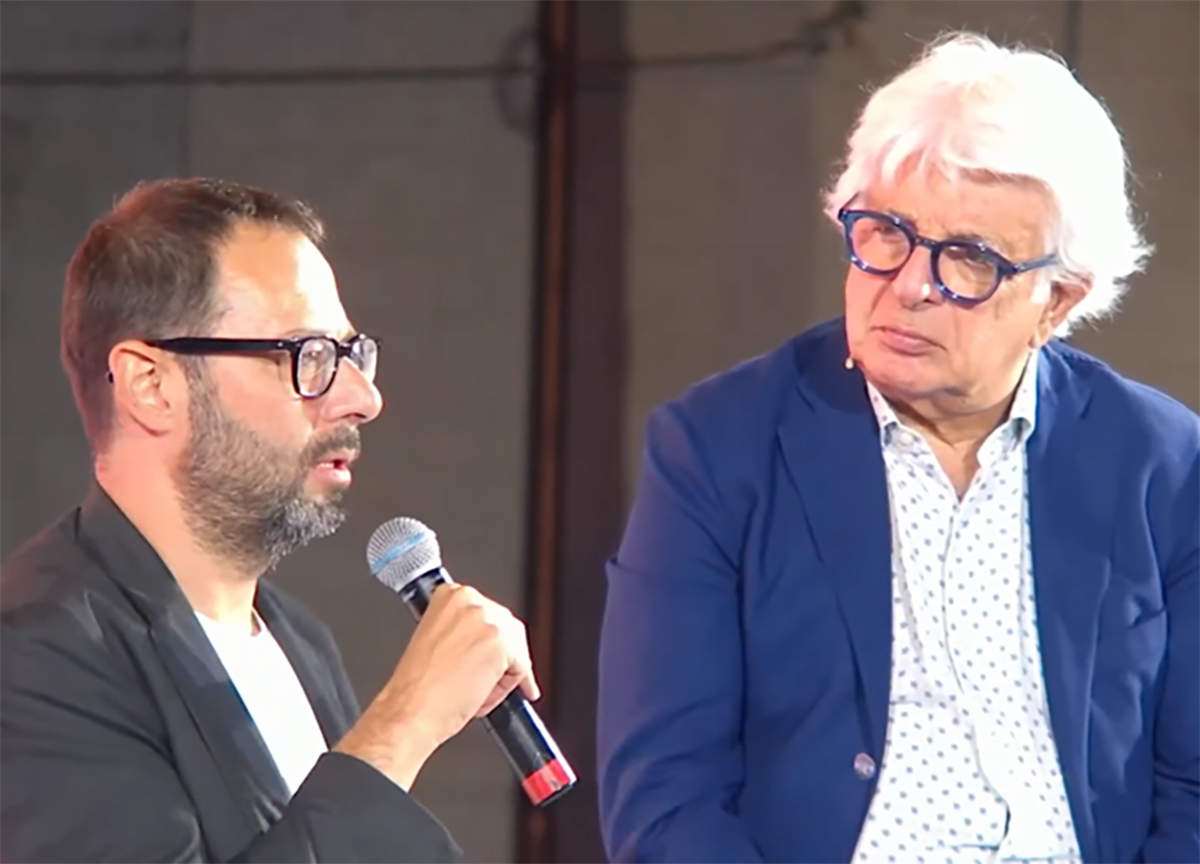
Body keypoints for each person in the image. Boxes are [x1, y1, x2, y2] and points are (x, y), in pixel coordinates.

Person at [597, 32, 1198, 864]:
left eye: (969, 259)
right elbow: (664, 800)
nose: (911, 285)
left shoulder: (1163, 468)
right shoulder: (717, 451)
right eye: (886, 232)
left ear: (1057, 300)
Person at [1, 178, 540, 862]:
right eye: (308, 356)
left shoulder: (299, 639)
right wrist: (405, 724)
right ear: (151, 385)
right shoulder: (35, 654)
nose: (364, 397)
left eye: (353, 354)